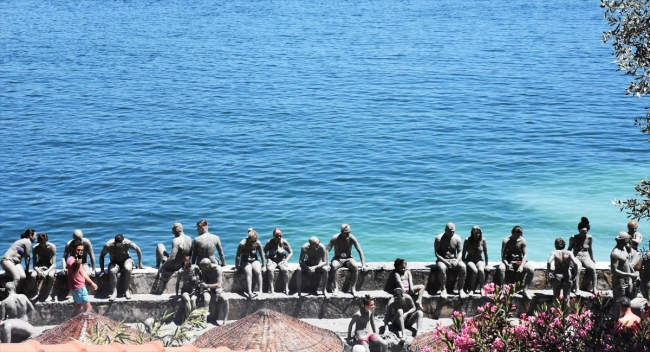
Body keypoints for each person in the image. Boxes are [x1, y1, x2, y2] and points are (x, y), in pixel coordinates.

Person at [99, 234, 144, 301]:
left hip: (126, 259)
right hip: (114, 261)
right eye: (119, 244)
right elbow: (102, 256)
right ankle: (114, 292)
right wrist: (102, 270)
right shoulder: (108, 245)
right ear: (115, 242)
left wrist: (140, 263)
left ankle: (126, 290)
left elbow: (138, 249)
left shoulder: (127, 243)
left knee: (128, 269)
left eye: (121, 243)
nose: (120, 245)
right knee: (112, 271)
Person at [326, 224, 366, 297]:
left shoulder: (352, 238)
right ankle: (336, 288)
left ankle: (353, 289)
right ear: (341, 232)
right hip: (337, 258)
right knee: (333, 266)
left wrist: (363, 264)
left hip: (348, 258)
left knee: (355, 266)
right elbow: (326, 251)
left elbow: (360, 251)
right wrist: (326, 263)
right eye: (346, 233)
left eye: (349, 232)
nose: (348, 234)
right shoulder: (335, 238)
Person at [498, 225, 534, 300]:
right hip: (508, 259)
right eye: (516, 235)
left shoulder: (522, 241)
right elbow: (503, 255)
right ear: (512, 233)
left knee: (531, 270)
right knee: (501, 269)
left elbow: (525, 255)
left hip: (518, 260)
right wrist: (507, 264)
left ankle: (525, 290)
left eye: (519, 235)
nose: (517, 237)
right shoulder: (506, 240)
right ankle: (503, 290)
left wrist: (521, 266)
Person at [434, 222, 467, 299]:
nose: (451, 233)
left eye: (453, 231)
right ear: (445, 230)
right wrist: (445, 261)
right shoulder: (439, 238)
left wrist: (457, 260)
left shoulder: (457, 238)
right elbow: (436, 253)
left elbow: (460, 252)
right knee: (442, 268)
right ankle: (443, 289)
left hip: (453, 259)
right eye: (450, 231)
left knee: (463, 267)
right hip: (442, 259)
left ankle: (461, 289)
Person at [67, 239, 98, 317]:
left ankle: (71, 325)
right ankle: (84, 325)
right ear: (73, 249)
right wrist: (78, 265)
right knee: (88, 308)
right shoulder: (71, 261)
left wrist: (91, 283)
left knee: (78, 309)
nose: (80, 252)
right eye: (78, 250)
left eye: (82, 250)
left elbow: (82, 272)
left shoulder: (77, 259)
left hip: (77, 288)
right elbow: (74, 276)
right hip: (79, 288)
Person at [611, 232, 638, 319]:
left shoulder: (624, 249)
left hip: (627, 280)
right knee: (618, 302)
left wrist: (634, 273)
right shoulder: (615, 253)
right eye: (627, 239)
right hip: (620, 282)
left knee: (627, 301)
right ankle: (614, 321)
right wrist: (630, 274)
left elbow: (628, 263)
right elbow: (614, 271)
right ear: (624, 240)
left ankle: (625, 319)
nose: (629, 240)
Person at [568, 217, 598, 294]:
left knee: (592, 269)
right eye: (582, 231)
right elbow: (569, 249)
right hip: (576, 256)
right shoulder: (573, 237)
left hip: (585, 256)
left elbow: (590, 249)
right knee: (577, 268)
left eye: (585, 231)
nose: (584, 233)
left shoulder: (589, 238)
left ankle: (594, 288)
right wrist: (567, 259)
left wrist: (592, 258)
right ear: (579, 230)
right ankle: (576, 288)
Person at [235, 228, 266, 299]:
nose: (254, 242)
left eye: (255, 240)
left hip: (255, 260)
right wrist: (236, 267)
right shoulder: (242, 243)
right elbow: (238, 256)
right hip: (245, 261)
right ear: (249, 239)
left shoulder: (258, 242)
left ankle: (260, 291)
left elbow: (262, 255)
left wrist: (264, 266)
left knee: (258, 272)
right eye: (253, 241)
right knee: (249, 273)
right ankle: (249, 292)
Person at [198, 258, 229, 325]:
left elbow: (219, 285)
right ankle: (204, 321)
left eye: (203, 268)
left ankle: (225, 320)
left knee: (225, 299)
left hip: (217, 289)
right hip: (208, 289)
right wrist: (206, 287)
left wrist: (207, 286)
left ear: (208, 266)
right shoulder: (204, 269)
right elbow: (204, 281)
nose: (202, 269)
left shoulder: (217, 269)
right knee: (206, 300)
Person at [263, 228, 293, 295]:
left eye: (280, 236)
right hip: (272, 260)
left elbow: (291, 252)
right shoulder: (270, 242)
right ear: (273, 235)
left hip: (281, 260)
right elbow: (263, 252)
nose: (279, 237)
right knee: (270, 270)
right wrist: (268, 259)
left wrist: (286, 260)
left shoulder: (284, 242)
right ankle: (271, 287)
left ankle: (286, 287)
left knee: (285, 270)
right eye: (277, 236)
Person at [461, 225, 489, 296]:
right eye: (475, 233)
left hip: (479, 259)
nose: (477, 235)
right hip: (470, 259)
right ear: (472, 233)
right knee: (474, 271)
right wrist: (463, 262)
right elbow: (463, 252)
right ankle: (471, 289)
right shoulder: (467, 240)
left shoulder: (483, 240)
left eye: (478, 233)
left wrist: (487, 264)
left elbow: (486, 253)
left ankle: (482, 288)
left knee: (481, 270)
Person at [31, 233, 57, 302]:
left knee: (51, 276)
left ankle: (49, 294)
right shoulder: (35, 248)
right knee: (33, 275)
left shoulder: (52, 247)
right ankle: (37, 293)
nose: (43, 245)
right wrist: (39, 271)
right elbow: (34, 265)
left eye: (44, 243)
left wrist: (46, 272)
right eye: (41, 243)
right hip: (40, 265)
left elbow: (54, 264)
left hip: (50, 265)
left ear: (46, 240)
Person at [175, 256, 201, 321]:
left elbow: (200, 277)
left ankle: (194, 318)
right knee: (187, 300)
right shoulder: (180, 272)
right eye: (185, 268)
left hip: (194, 290)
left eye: (188, 268)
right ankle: (188, 318)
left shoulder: (195, 267)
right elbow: (177, 283)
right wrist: (176, 295)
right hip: (185, 290)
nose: (187, 269)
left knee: (193, 300)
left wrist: (196, 288)